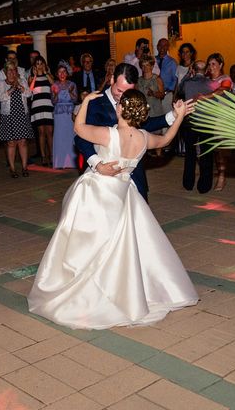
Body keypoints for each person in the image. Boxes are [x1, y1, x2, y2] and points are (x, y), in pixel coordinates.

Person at [28, 90, 198, 329]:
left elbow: (78, 128)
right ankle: (120, 289)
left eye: (118, 105)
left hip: (98, 195)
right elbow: (167, 140)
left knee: (87, 243)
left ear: (121, 110)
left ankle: (88, 289)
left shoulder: (109, 134)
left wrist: (85, 102)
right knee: (119, 245)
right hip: (124, 194)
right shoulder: (143, 137)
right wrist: (179, 116)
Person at [75, 64, 189, 202]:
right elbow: (80, 138)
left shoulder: (134, 99)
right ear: (112, 80)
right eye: (119, 90)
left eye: (127, 91)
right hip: (102, 178)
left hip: (134, 179)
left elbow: (144, 124)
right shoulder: (94, 102)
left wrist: (173, 115)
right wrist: (97, 164)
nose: (123, 96)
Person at [178, 61, 215, 193]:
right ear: (206, 71)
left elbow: (179, 90)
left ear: (193, 69)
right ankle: (204, 186)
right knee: (207, 154)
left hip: (191, 122)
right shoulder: (211, 84)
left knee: (190, 154)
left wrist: (188, 75)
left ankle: (188, 183)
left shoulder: (188, 83)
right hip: (207, 123)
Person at [0, 61, 34, 178]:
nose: (12, 72)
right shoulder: (2, 83)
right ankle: (12, 169)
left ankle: (24, 167)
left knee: (22, 142)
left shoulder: (22, 80)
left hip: (22, 115)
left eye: (14, 70)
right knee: (11, 143)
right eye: (9, 70)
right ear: (5, 72)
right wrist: (11, 89)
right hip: (8, 116)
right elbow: (0, 97)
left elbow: (29, 94)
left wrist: (21, 87)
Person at [206, 53, 232, 191]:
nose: (211, 67)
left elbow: (223, 90)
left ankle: (222, 176)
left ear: (221, 65)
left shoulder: (225, 79)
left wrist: (205, 96)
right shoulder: (206, 79)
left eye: (214, 64)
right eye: (209, 64)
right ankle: (217, 174)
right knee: (213, 150)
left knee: (221, 149)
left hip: (222, 118)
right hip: (208, 117)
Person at [28, 56, 54, 166]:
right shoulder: (31, 78)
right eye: (37, 63)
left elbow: (54, 85)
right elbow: (30, 90)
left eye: (41, 63)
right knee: (41, 132)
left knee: (50, 132)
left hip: (48, 105)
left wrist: (45, 72)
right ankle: (43, 157)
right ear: (34, 66)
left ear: (44, 64)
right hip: (37, 107)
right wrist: (34, 76)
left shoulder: (48, 76)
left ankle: (52, 156)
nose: (39, 65)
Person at [51, 65, 78, 169]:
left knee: (70, 136)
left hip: (70, 114)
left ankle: (71, 162)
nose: (62, 74)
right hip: (59, 114)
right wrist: (56, 94)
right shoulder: (54, 85)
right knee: (59, 137)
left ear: (67, 73)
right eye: (60, 72)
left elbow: (75, 100)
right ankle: (60, 162)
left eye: (64, 72)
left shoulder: (72, 84)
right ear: (57, 74)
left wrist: (70, 92)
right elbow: (53, 102)